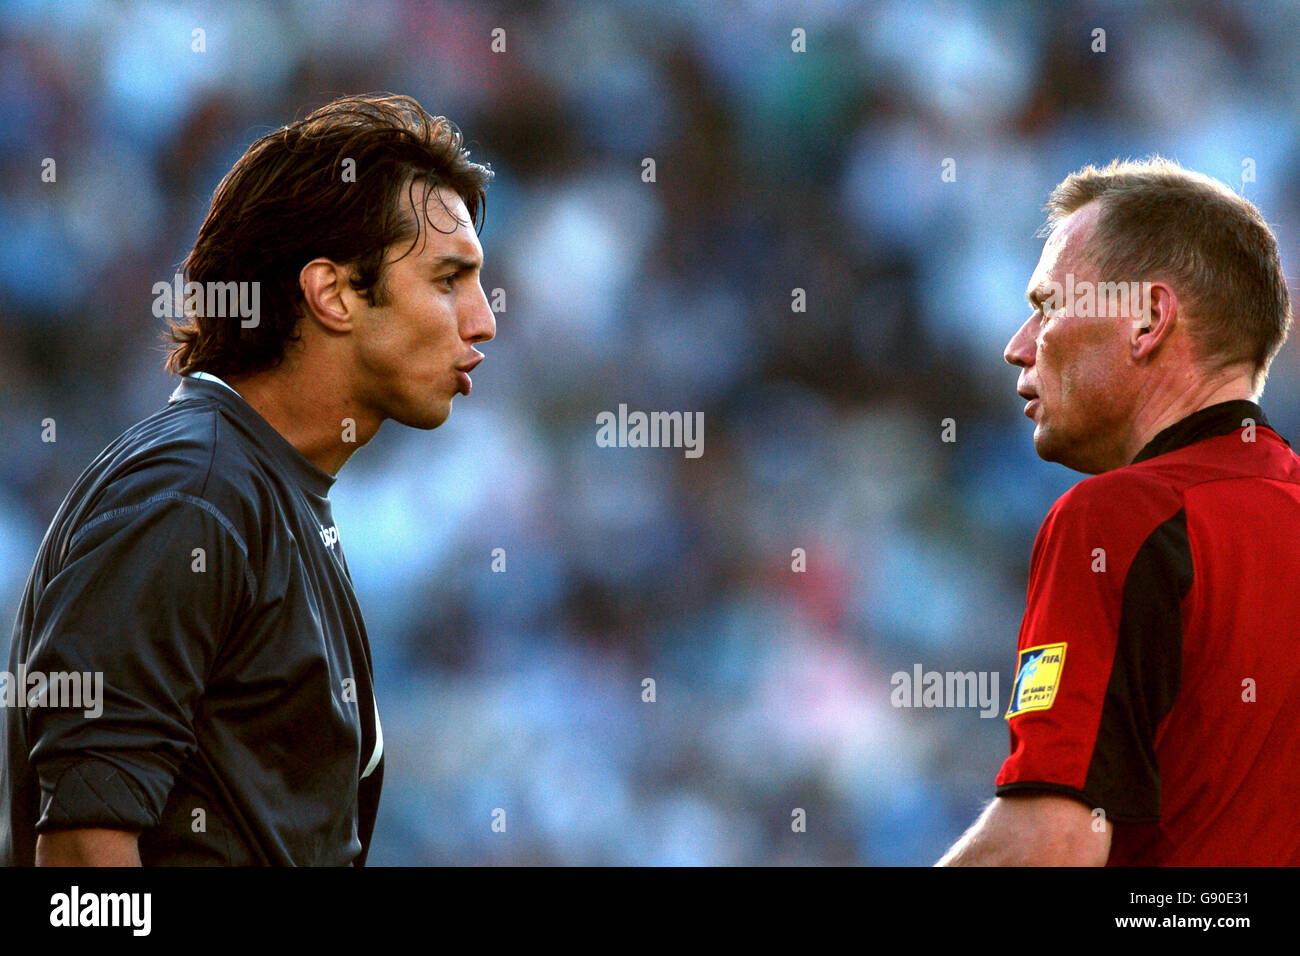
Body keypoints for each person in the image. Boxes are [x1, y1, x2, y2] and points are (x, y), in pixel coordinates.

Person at [0, 93, 495, 865]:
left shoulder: (265, 490)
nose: (482, 319)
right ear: (333, 292)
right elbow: (78, 852)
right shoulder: (192, 491)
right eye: (447, 280)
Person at [938, 156, 1299, 865]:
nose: (1017, 347)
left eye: (1047, 307)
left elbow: (1052, 844)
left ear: (1147, 320)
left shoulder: (1120, 519)